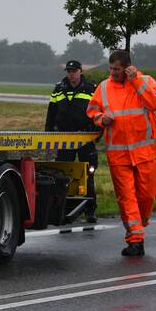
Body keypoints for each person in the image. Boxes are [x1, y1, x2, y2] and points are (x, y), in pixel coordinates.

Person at [86, 50, 156, 257]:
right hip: (118, 154)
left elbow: (155, 103)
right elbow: (92, 110)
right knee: (127, 197)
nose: (113, 72)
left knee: (147, 195)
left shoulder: (146, 81)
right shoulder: (103, 87)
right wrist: (101, 119)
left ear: (128, 68)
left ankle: (140, 224)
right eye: (110, 68)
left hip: (145, 152)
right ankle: (135, 240)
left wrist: (136, 81)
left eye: (117, 69)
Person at [45, 59, 100, 222]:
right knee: (62, 174)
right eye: (69, 71)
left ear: (80, 72)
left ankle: (90, 210)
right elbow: (51, 113)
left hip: (84, 138)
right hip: (64, 138)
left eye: (74, 71)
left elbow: (98, 111)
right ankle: (61, 210)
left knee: (88, 173)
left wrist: (96, 132)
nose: (71, 74)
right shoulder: (59, 89)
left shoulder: (91, 89)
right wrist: (48, 134)